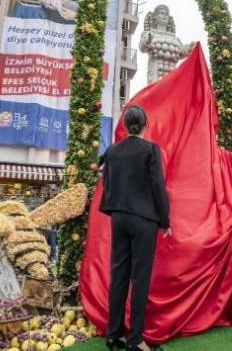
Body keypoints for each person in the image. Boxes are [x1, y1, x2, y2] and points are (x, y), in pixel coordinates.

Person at [99, 105, 171, 351]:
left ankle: (113, 334)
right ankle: (135, 339)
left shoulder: (112, 151)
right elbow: (158, 186)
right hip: (143, 219)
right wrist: (164, 221)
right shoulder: (150, 149)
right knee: (140, 277)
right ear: (144, 125)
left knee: (118, 273)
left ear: (125, 125)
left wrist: (115, 210)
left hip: (118, 217)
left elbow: (107, 184)